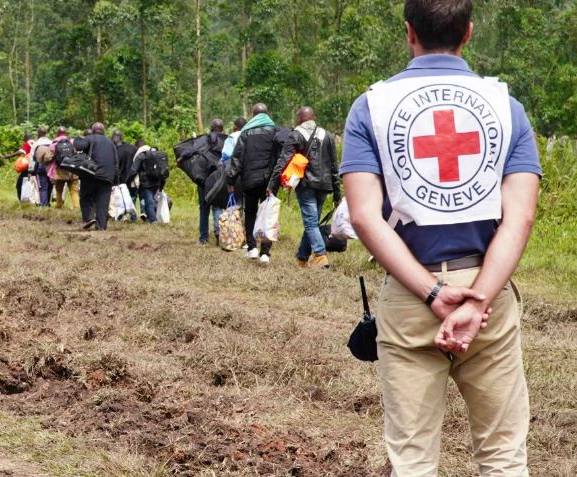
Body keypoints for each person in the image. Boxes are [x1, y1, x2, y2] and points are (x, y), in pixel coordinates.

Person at [342, 1, 540, 474]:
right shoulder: (507, 108)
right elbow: (520, 218)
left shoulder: (371, 107)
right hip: (486, 295)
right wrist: (478, 300)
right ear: (468, 33)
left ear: (409, 31)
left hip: (412, 294)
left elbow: (365, 217)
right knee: (503, 455)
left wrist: (433, 293)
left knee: (411, 459)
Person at [268, 107, 339, 269]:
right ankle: (302, 258)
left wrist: (272, 185)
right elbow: (334, 166)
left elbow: (283, 161)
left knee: (310, 223)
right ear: (314, 117)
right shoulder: (327, 135)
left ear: (299, 119)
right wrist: (337, 193)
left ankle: (320, 255)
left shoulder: (296, 134)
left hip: (306, 185)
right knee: (312, 222)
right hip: (325, 185)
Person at [227, 104, 284, 264]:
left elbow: (236, 159)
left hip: (250, 180)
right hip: (270, 182)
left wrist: (230, 180)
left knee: (250, 212)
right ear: (267, 114)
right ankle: (265, 252)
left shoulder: (246, 132)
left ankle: (252, 248)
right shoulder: (276, 131)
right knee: (268, 214)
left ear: (253, 115)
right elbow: (281, 157)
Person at [184, 120, 229, 242]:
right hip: (219, 180)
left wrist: (181, 158)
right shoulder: (227, 140)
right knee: (217, 207)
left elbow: (191, 151)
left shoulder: (204, 140)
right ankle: (219, 233)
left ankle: (203, 238)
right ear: (222, 129)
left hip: (203, 179)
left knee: (204, 208)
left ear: (211, 128)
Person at [78, 123, 116, 230]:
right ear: (103, 131)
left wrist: (78, 138)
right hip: (107, 176)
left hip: (91, 174)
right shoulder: (111, 143)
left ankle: (88, 218)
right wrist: (115, 179)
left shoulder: (90, 138)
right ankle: (101, 226)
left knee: (85, 197)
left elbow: (79, 146)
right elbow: (116, 161)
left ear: (93, 130)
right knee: (103, 202)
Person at [127, 140, 165, 224]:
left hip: (146, 182)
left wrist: (128, 181)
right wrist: (162, 184)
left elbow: (133, 170)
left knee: (149, 201)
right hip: (157, 181)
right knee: (151, 200)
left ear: (137, 147)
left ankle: (153, 220)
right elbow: (162, 169)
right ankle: (149, 218)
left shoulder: (141, 155)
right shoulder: (155, 153)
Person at [49, 127, 79, 209]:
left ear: (57, 133)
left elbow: (50, 156)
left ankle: (59, 205)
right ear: (66, 133)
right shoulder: (72, 142)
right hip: (72, 170)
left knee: (59, 190)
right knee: (73, 190)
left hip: (60, 170)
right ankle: (76, 206)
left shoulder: (54, 143)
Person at [112, 131, 138, 222]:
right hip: (132, 177)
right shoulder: (132, 148)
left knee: (120, 198)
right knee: (132, 197)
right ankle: (133, 217)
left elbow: (115, 166)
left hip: (120, 179)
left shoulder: (115, 150)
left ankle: (122, 216)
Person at [4, 132, 33, 200]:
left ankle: (23, 201)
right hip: (36, 167)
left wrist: (9, 156)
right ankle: (28, 200)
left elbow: (21, 152)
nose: (23, 139)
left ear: (26, 138)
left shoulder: (28, 143)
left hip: (28, 167)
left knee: (19, 185)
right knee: (30, 183)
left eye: (24, 138)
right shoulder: (35, 142)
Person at [30, 127, 53, 207]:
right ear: (46, 133)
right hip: (51, 168)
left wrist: (31, 170)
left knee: (42, 186)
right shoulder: (51, 142)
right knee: (50, 185)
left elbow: (32, 158)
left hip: (41, 167)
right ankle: (47, 203)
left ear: (38, 133)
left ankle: (44, 205)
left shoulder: (36, 144)